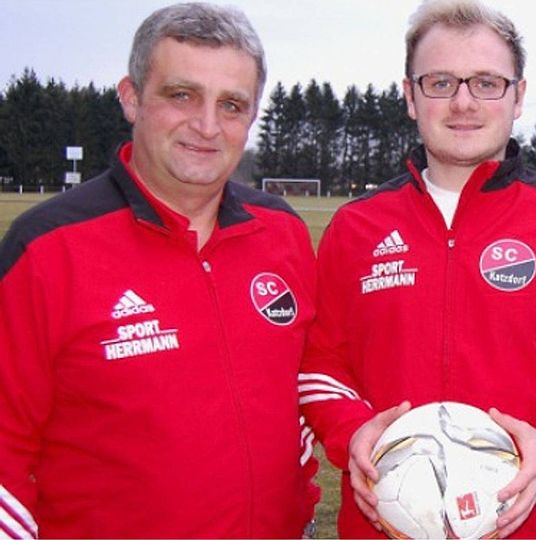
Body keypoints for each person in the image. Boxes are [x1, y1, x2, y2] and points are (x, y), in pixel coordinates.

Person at [297, 0, 536, 537]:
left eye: (487, 82)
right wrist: (354, 433)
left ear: (519, 95)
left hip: (533, 524)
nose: (463, 102)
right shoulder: (355, 229)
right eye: (440, 81)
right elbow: (320, 367)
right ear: (410, 96)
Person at [0, 3, 319, 537]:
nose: (207, 125)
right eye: (181, 95)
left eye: (233, 104)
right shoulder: (47, 248)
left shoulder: (282, 234)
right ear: (131, 97)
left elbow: (306, 385)